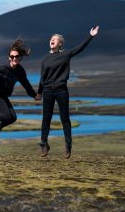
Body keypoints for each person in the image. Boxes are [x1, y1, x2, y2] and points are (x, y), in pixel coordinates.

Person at [36, 26, 99, 158]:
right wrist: (39, 92)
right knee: (46, 118)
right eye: (51, 39)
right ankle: (44, 143)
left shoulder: (66, 54)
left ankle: (68, 145)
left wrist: (91, 36)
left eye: (55, 39)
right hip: (47, 90)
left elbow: (80, 48)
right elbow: (42, 77)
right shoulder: (45, 58)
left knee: (65, 118)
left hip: (61, 90)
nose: (52, 40)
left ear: (60, 44)